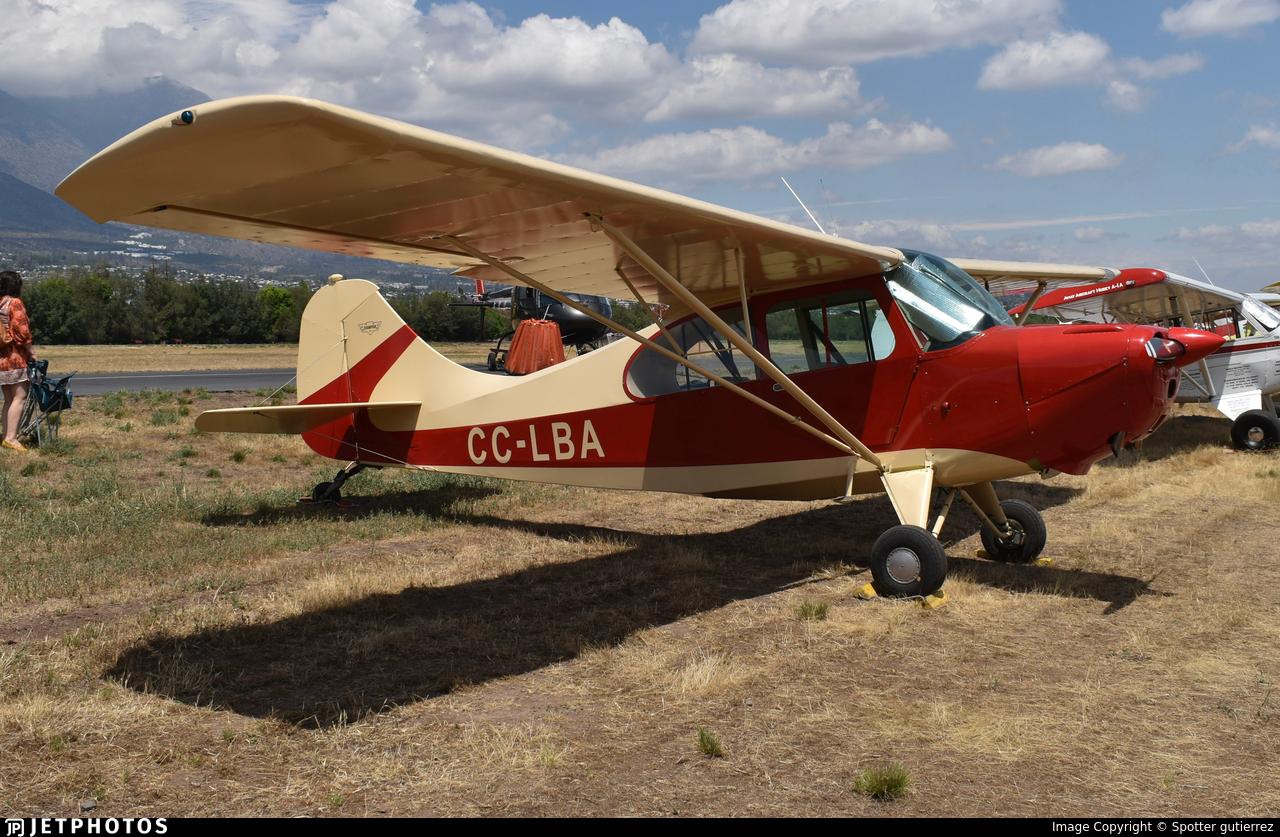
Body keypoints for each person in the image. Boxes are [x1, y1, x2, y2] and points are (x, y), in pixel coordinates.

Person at [0, 269, 36, 452]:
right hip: (14, 357)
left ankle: (5, 436)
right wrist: (31, 351)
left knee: (8, 399)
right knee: (19, 397)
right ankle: (11, 438)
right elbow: (22, 330)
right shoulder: (14, 303)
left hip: (1, 357)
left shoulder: (0, 303)